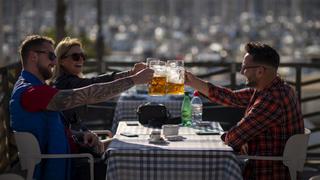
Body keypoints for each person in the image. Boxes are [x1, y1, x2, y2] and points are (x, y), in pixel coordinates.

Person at [9, 35, 153, 180]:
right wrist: (134, 80)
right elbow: (88, 94)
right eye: (51, 56)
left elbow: (51, 127)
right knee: (131, 166)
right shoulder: (31, 92)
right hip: (73, 166)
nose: (54, 61)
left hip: (72, 159)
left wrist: (79, 135)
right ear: (33, 56)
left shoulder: (31, 87)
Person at [185, 42, 304, 180]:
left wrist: (217, 138)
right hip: (269, 164)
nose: (241, 72)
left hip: (267, 172)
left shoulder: (272, 99)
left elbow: (234, 138)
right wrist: (193, 82)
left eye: (244, 68)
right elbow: (232, 97)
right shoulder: (275, 88)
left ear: (260, 71)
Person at [51, 37, 147, 180]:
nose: (81, 60)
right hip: (78, 156)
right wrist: (132, 77)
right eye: (75, 56)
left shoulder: (68, 81)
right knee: (133, 151)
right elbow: (96, 85)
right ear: (61, 60)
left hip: (80, 145)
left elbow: (96, 84)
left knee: (130, 143)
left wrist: (130, 74)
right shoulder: (66, 84)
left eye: (83, 56)